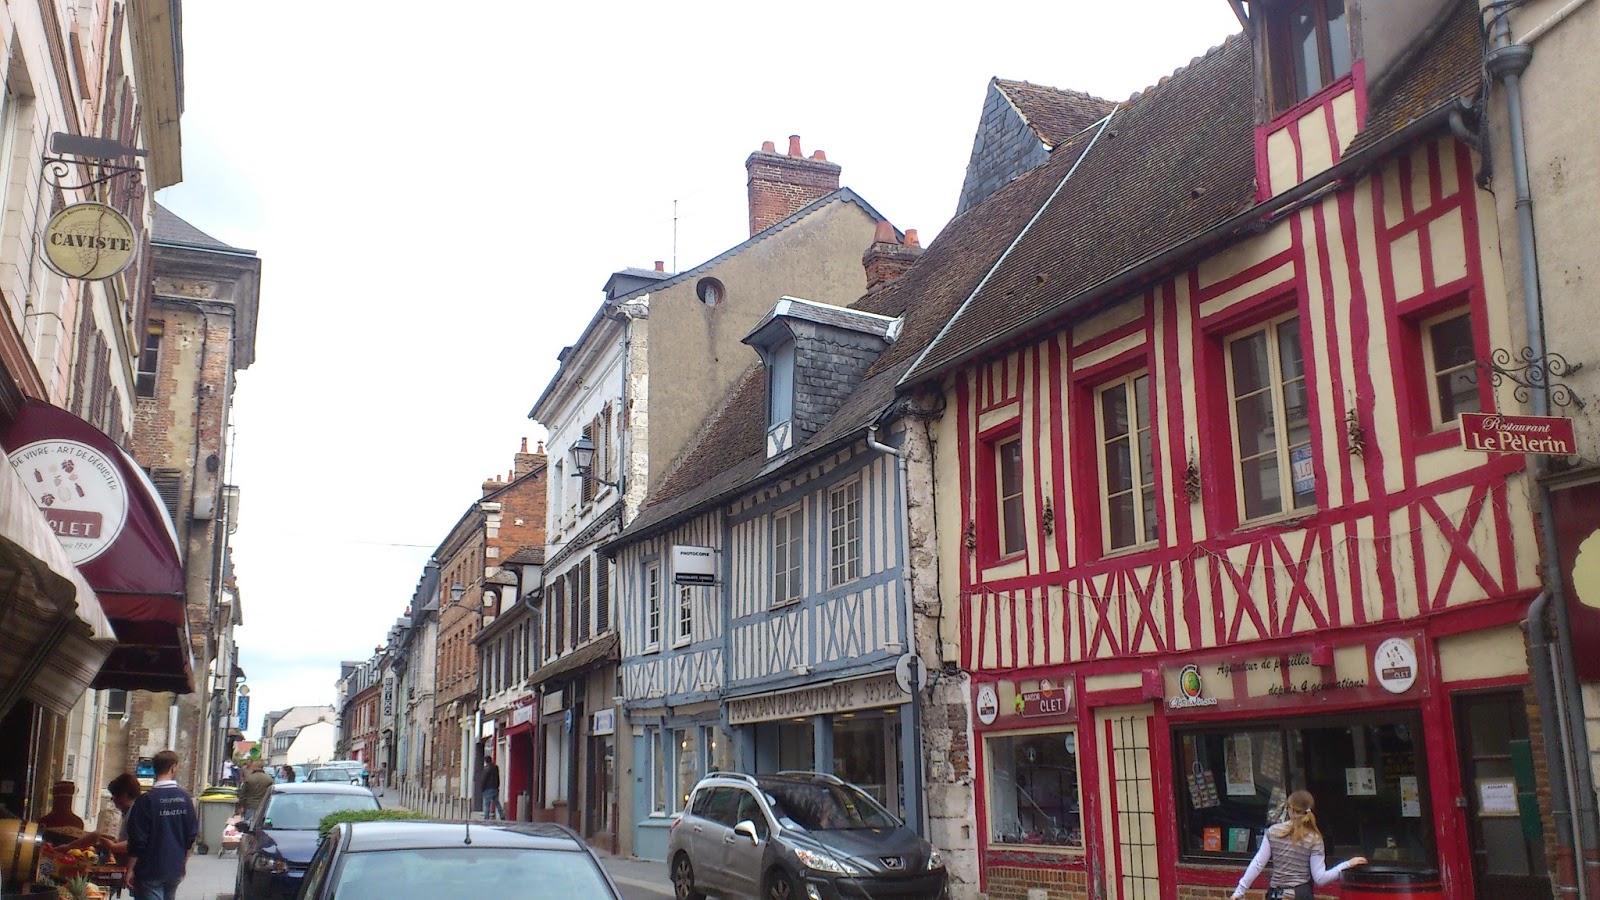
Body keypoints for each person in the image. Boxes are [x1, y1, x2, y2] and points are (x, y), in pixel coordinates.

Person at [1232, 790, 1367, 900]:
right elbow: (1320, 879)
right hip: (1300, 893)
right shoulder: (1314, 839)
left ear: (1290, 809)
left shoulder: (1274, 832)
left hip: (1276, 894)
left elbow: (1258, 863)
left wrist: (1240, 891)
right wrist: (1347, 864)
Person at [125, 749, 198, 900]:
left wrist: (130, 869)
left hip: (150, 868)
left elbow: (137, 839)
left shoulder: (145, 801)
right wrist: (183, 863)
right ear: (174, 768)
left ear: (154, 768)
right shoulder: (185, 799)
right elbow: (190, 835)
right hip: (174, 867)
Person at [480, 756, 501, 820]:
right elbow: (497, 778)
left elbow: (484, 779)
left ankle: (486, 817)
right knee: (497, 803)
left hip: (488, 788)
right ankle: (502, 815)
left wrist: (482, 788)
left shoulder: (486, 769)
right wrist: (497, 786)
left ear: (486, 761)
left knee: (487, 804)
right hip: (495, 788)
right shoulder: (495, 768)